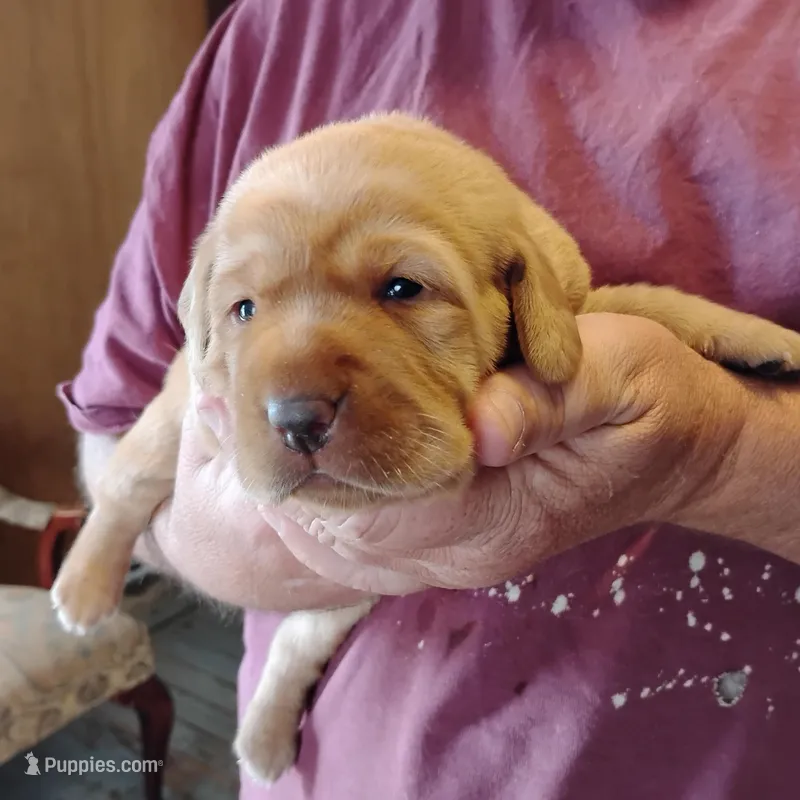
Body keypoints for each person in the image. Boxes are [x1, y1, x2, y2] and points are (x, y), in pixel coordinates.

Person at [57, 1, 800, 797]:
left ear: (522, 294)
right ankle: (261, 685)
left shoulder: (517, 244)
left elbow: (601, 320)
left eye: (402, 286)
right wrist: (205, 540)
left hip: (706, 766)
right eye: (247, 307)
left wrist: (721, 455)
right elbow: (115, 424)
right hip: (343, 765)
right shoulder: (267, 29)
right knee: (156, 481)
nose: (300, 390)